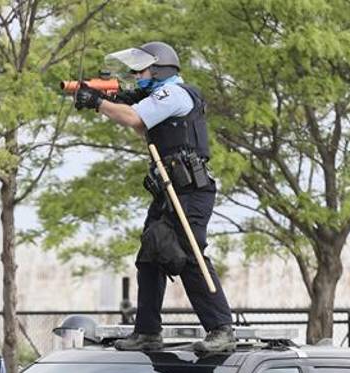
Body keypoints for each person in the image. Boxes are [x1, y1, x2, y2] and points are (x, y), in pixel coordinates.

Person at [74, 41, 236, 354]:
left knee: (188, 254)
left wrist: (98, 102)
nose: (137, 74)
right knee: (150, 256)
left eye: (142, 68)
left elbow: (134, 119)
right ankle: (147, 332)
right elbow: (140, 125)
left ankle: (221, 328)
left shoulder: (173, 93)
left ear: (160, 68)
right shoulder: (159, 97)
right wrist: (113, 99)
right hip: (169, 191)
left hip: (190, 191)